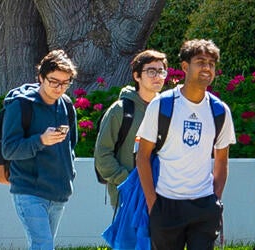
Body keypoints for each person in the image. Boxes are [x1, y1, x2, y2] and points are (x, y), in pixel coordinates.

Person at [134, 40, 235, 250]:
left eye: (211, 63)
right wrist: (154, 205)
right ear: (185, 67)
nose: (207, 68)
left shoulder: (220, 111)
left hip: (204, 206)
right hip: (166, 204)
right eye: (200, 62)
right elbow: (142, 156)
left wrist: (215, 199)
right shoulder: (162, 104)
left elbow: (222, 160)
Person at [0, 50, 79, 250]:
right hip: (29, 190)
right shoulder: (21, 105)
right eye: (54, 81)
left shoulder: (67, 106)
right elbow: (8, 149)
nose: (59, 88)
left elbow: (72, 145)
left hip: (59, 191)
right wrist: (40, 140)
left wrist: (69, 173)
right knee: (43, 245)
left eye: (65, 83)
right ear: (41, 77)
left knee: (44, 245)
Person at [95, 50, 167, 207]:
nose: (157, 76)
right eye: (151, 71)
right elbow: (102, 154)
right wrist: (127, 180)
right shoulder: (120, 110)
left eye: (161, 71)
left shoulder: (167, 110)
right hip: (128, 196)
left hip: (162, 195)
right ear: (137, 76)